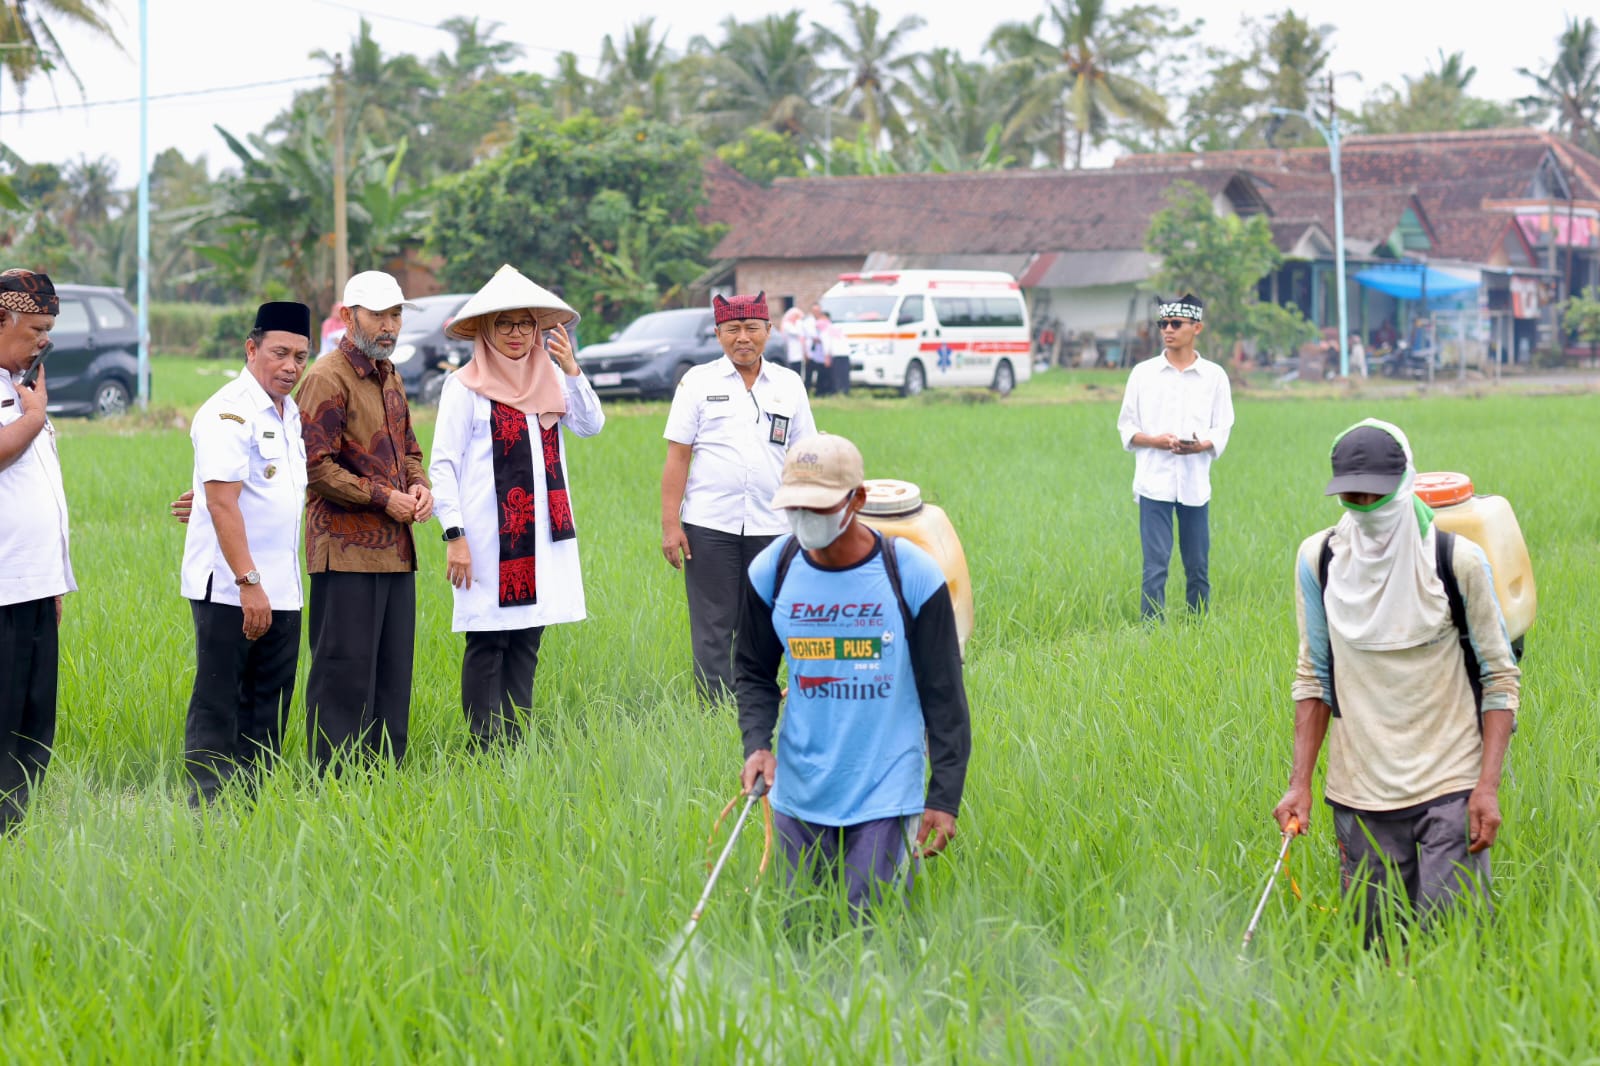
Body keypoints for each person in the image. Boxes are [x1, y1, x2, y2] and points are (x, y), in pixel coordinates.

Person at [1273, 419, 1519, 946]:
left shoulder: (1455, 562)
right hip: (1358, 789)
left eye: (1377, 494)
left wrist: (1487, 788)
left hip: (1449, 783)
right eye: (1352, 496)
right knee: (1376, 946)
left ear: (1405, 483)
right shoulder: (1320, 561)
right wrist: (1300, 783)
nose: (1365, 506)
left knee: (1453, 943)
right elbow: (1314, 676)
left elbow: (1499, 677)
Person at [735, 434, 971, 915]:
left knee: (873, 929)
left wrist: (944, 798)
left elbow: (944, 694)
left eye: (818, 507)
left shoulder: (912, 576)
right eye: (794, 506)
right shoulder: (771, 571)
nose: (804, 519)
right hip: (799, 792)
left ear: (856, 500)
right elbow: (753, 672)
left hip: (886, 790)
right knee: (798, 926)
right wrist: (758, 744)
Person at [429, 265, 604, 750]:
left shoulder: (550, 379)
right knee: (489, 641)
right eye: (504, 324)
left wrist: (572, 370)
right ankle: (483, 746)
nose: (515, 334)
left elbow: (591, 426)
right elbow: (442, 465)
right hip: (488, 538)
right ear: (485, 330)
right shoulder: (464, 388)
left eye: (525, 324)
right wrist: (455, 536)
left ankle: (515, 741)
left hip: (541, 536)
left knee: (528, 637)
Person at [297, 270, 433, 771]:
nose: (389, 325)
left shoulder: (389, 374)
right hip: (345, 552)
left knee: (393, 676)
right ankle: (333, 784)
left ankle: (384, 784)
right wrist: (384, 498)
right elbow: (314, 467)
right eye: (378, 314)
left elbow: (410, 449)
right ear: (349, 315)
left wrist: (418, 487)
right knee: (342, 676)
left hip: (397, 553)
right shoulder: (326, 377)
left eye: (395, 314)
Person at [179, 302, 312, 804]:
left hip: (283, 588)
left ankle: (253, 807)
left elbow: (264, 492)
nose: (290, 367)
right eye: (279, 353)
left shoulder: (290, 414)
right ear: (251, 349)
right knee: (220, 703)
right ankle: (208, 811)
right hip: (232, 588)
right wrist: (248, 581)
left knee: (270, 706)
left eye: (300, 356)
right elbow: (222, 502)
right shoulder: (227, 410)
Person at [661, 292, 816, 704]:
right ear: (718, 334)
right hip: (710, 523)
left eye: (751, 328)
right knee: (713, 622)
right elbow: (678, 456)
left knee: (766, 616)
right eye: (732, 329)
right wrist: (670, 525)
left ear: (768, 331)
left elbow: (805, 458)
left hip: (775, 524)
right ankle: (715, 706)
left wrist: (811, 524)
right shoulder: (697, 382)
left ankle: (757, 695)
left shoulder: (789, 384)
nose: (742, 338)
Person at [0, 269, 73, 832]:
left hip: (32, 586)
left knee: (32, 718)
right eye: (36, 328)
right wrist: (34, 417)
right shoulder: (28, 402)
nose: (44, 340)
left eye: (49, 328)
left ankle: (16, 830)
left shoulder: (22, 387)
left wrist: (52, 582)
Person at [1115, 294, 1234, 620]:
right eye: (1163, 324)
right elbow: (1126, 427)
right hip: (1155, 483)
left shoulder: (1214, 376)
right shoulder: (1143, 373)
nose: (1168, 330)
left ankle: (1198, 629)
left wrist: (1201, 445)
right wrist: (1155, 441)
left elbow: (1222, 427)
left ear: (1196, 327)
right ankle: (1151, 634)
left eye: (1175, 324)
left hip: (1195, 484)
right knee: (1155, 566)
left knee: (1198, 566)